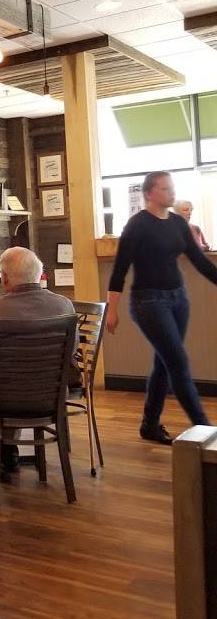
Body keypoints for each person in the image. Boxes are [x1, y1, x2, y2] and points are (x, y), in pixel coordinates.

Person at [107, 171, 217, 444]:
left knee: (165, 362)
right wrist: (112, 310)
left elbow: (199, 261)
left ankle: (150, 424)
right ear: (149, 193)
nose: (171, 192)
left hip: (178, 299)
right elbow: (119, 270)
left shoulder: (178, 223)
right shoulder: (137, 225)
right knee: (178, 362)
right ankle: (207, 431)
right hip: (148, 302)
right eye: (165, 188)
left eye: (172, 188)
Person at [0, 246, 74, 471]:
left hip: (1, 401)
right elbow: (72, 350)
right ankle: (8, 450)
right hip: (51, 399)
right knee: (12, 381)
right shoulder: (64, 305)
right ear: (38, 274)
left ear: (5, 277)